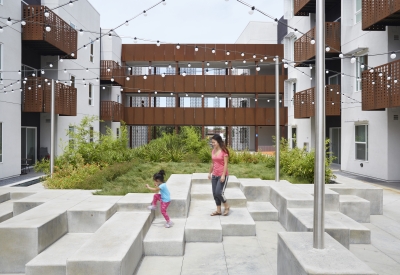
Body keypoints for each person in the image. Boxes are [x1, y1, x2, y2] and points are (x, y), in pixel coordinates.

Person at [208, 134, 230, 216]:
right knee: (214, 193)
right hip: (214, 175)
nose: (213, 144)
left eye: (214, 142)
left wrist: (223, 175)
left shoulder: (224, 151)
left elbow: (225, 164)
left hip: (222, 175)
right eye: (212, 142)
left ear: (219, 142)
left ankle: (227, 206)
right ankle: (218, 210)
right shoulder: (213, 151)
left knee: (219, 192)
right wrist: (209, 173)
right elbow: (213, 163)